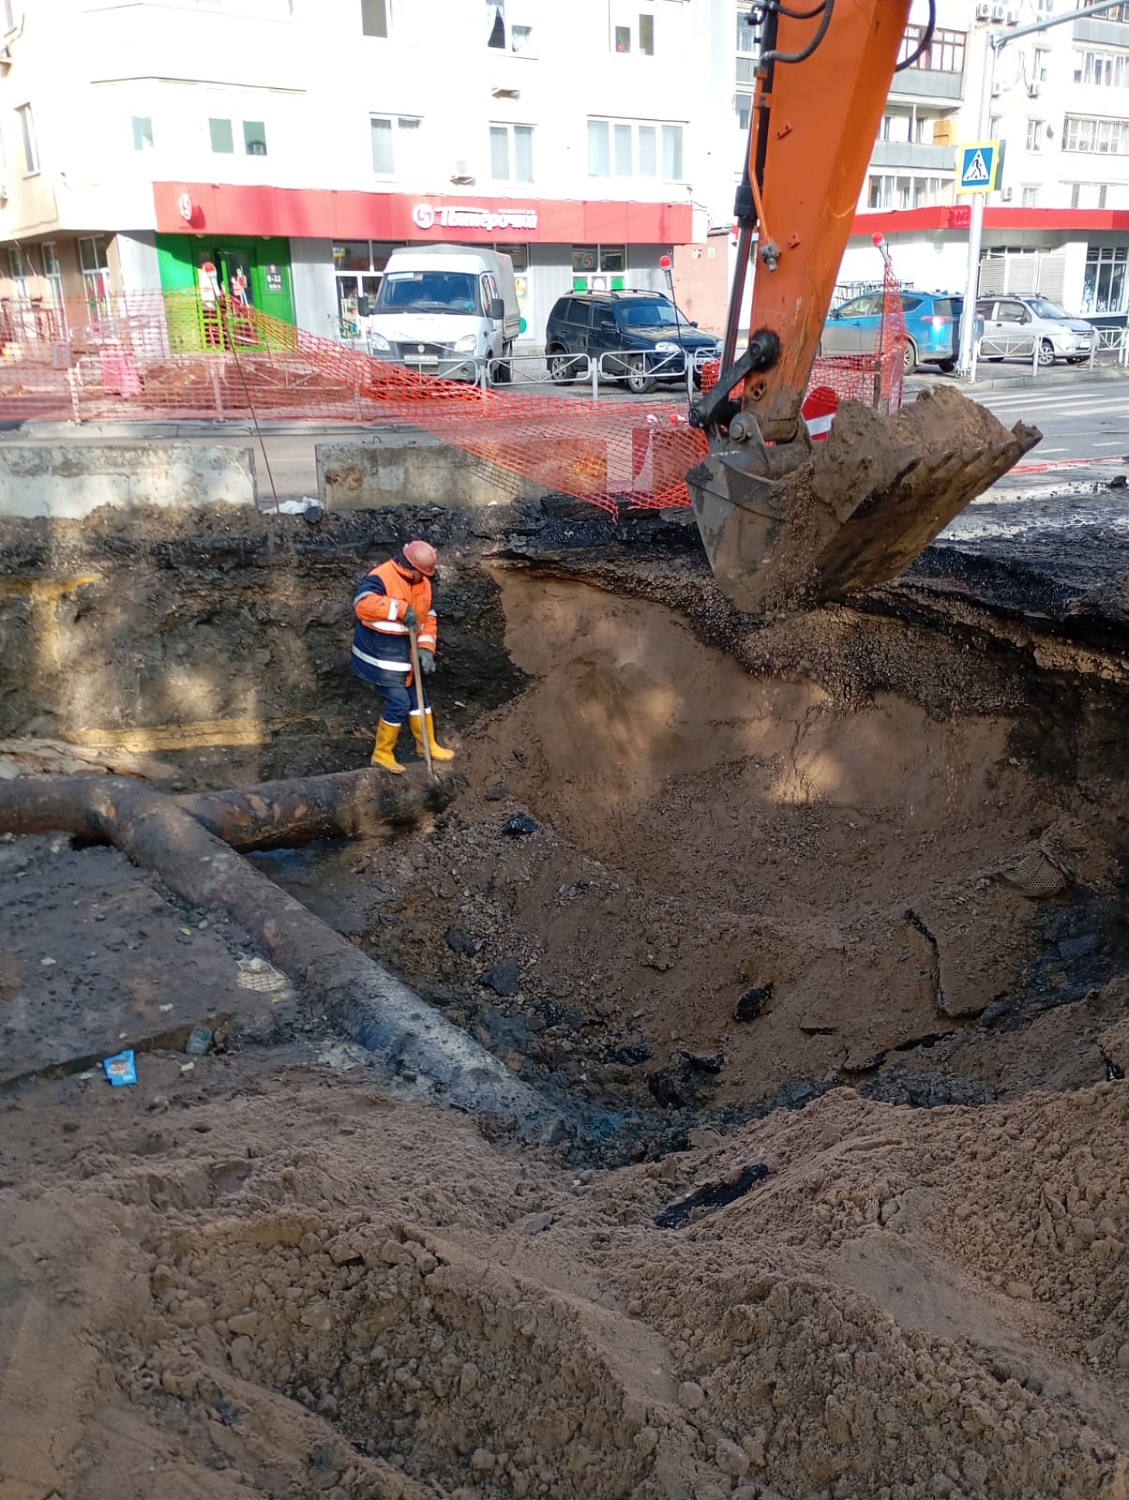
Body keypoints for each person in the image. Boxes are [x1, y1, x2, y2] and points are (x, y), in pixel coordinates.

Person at [350, 539, 455, 773]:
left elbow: (428, 616)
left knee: (420, 701)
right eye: (423, 572)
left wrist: (427, 649)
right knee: (399, 702)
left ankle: (426, 746)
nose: (427, 577)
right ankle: (382, 754)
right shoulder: (381, 577)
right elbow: (362, 604)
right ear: (410, 568)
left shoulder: (423, 583)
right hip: (381, 657)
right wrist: (399, 609)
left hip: (405, 656)